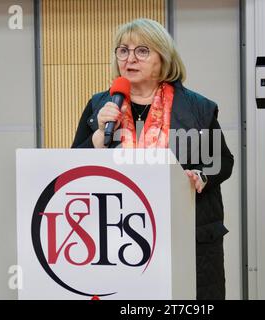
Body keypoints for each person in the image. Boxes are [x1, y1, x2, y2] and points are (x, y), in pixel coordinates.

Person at [72, 18, 234, 300]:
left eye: (142, 51)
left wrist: (201, 176)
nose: (129, 59)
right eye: (123, 50)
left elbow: (221, 160)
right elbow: (75, 168)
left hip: (186, 236)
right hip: (118, 238)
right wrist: (98, 137)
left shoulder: (197, 107)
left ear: (163, 58)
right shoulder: (101, 105)